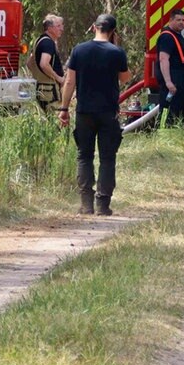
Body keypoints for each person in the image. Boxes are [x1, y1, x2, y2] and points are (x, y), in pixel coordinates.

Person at [58, 14, 131, 216]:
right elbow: (125, 78)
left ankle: (86, 203)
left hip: (84, 112)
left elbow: (70, 82)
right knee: (107, 158)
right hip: (108, 112)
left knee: (84, 156)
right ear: (113, 31)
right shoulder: (117, 52)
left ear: (94, 27)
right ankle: (103, 205)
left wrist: (64, 109)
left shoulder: (79, 50)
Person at [156, 9, 184, 126]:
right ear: (170, 20)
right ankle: (162, 134)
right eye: (178, 20)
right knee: (167, 112)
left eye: (183, 20)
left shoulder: (177, 36)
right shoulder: (167, 37)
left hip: (181, 82)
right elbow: (164, 59)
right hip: (172, 83)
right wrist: (168, 82)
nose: (181, 22)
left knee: (179, 113)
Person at [32, 14, 66, 112]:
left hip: (41, 87)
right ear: (49, 28)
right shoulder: (48, 43)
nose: (62, 29)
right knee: (56, 120)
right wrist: (59, 78)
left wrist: (38, 76)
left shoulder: (39, 41)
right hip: (50, 89)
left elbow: (29, 63)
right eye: (58, 26)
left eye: (62, 26)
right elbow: (44, 64)